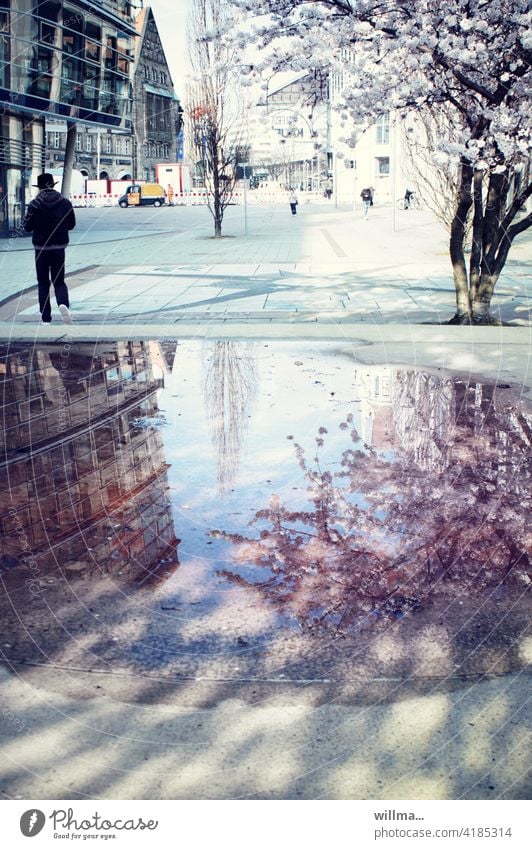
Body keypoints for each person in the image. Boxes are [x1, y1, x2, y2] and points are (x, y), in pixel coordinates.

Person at [23, 173, 76, 324]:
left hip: (41, 248)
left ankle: (46, 318)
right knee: (59, 281)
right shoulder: (65, 203)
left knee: (43, 282)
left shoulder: (34, 204)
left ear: (39, 187)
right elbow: (72, 224)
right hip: (59, 248)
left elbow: (27, 227)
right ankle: (63, 304)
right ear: (53, 185)